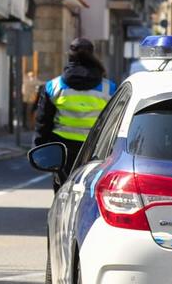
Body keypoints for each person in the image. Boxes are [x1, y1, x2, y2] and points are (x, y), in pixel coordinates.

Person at [34, 37, 116, 186]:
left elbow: (43, 121)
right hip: (94, 150)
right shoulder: (108, 88)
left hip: (62, 150)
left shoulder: (54, 86)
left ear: (69, 56)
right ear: (92, 55)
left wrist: (40, 149)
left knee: (62, 192)